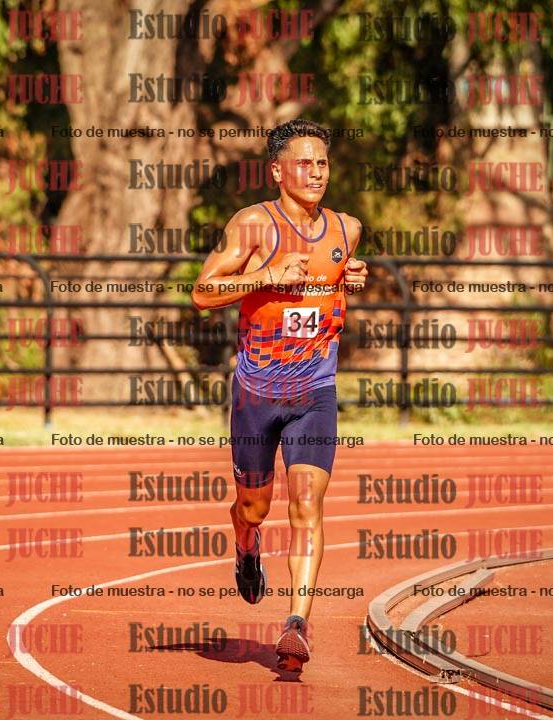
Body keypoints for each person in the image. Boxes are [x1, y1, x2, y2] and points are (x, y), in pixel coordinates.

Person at [190, 118, 367, 672]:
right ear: (276, 171)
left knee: (307, 504)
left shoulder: (346, 229)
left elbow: (329, 287)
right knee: (255, 506)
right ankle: (246, 544)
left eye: (323, 163)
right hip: (257, 395)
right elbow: (202, 292)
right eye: (303, 163)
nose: (316, 173)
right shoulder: (253, 225)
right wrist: (265, 275)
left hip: (315, 390)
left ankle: (296, 624)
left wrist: (348, 279)